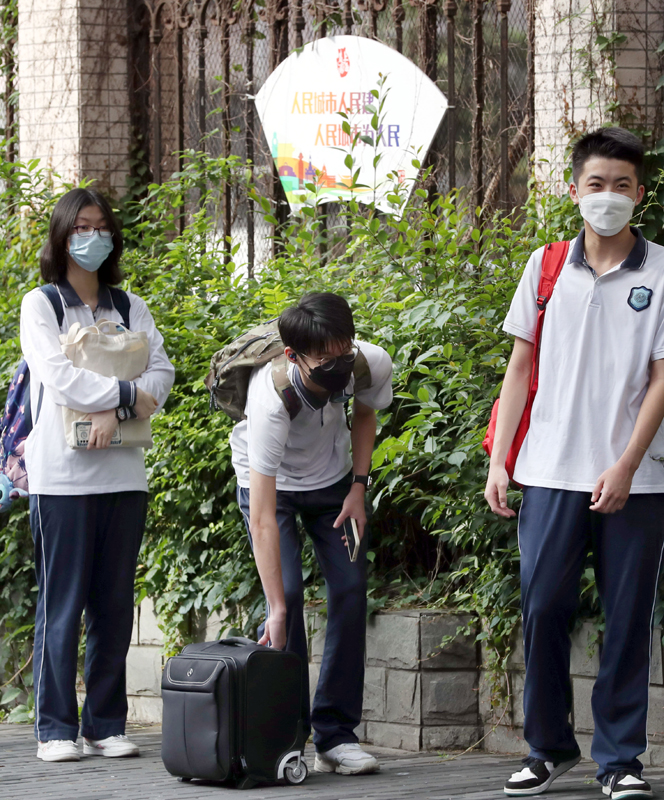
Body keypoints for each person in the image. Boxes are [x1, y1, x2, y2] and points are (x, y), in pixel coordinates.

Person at [485, 127, 664, 799]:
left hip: (637, 480)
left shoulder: (662, 270)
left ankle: (620, 761)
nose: (608, 197)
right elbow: (519, 366)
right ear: (574, 191)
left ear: (640, 194)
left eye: (622, 185)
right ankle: (547, 747)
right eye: (597, 185)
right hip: (549, 470)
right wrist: (500, 461)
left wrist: (624, 466)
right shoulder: (547, 264)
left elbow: (661, 379)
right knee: (544, 609)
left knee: (626, 619)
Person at [20, 188, 175, 762]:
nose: (93, 235)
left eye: (102, 226)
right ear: (62, 237)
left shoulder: (130, 305)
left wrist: (117, 408)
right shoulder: (43, 306)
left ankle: (106, 723)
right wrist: (128, 393)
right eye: (82, 225)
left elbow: (162, 369)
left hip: (123, 474)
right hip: (62, 478)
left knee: (114, 604)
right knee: (62, 605)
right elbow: (57, 376)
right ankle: (55, 728)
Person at [230, 292, 393, 776]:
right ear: (292, 356)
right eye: (324, 359)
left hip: (333, 484)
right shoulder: (269, 399)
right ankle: (288, 736)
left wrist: (358, 488)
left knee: (350, 588)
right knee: (290, 600)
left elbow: (365, 415)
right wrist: (275, 610)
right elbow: (261, 516)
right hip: (269, 487)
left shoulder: (369, 363)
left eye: (343, 350)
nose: (338, 364)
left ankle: (336, 735)